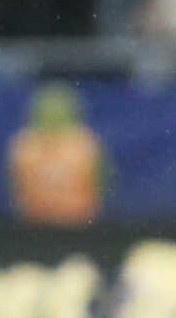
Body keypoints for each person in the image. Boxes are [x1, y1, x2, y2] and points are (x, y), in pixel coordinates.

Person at [8, 82, 107, 226]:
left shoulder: (85, 144)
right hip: (34, 223)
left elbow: (100, 185)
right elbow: (17, 188)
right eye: (48, 113)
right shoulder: (24, 145)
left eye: (58, 112)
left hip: (79, 222)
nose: (53, 118)